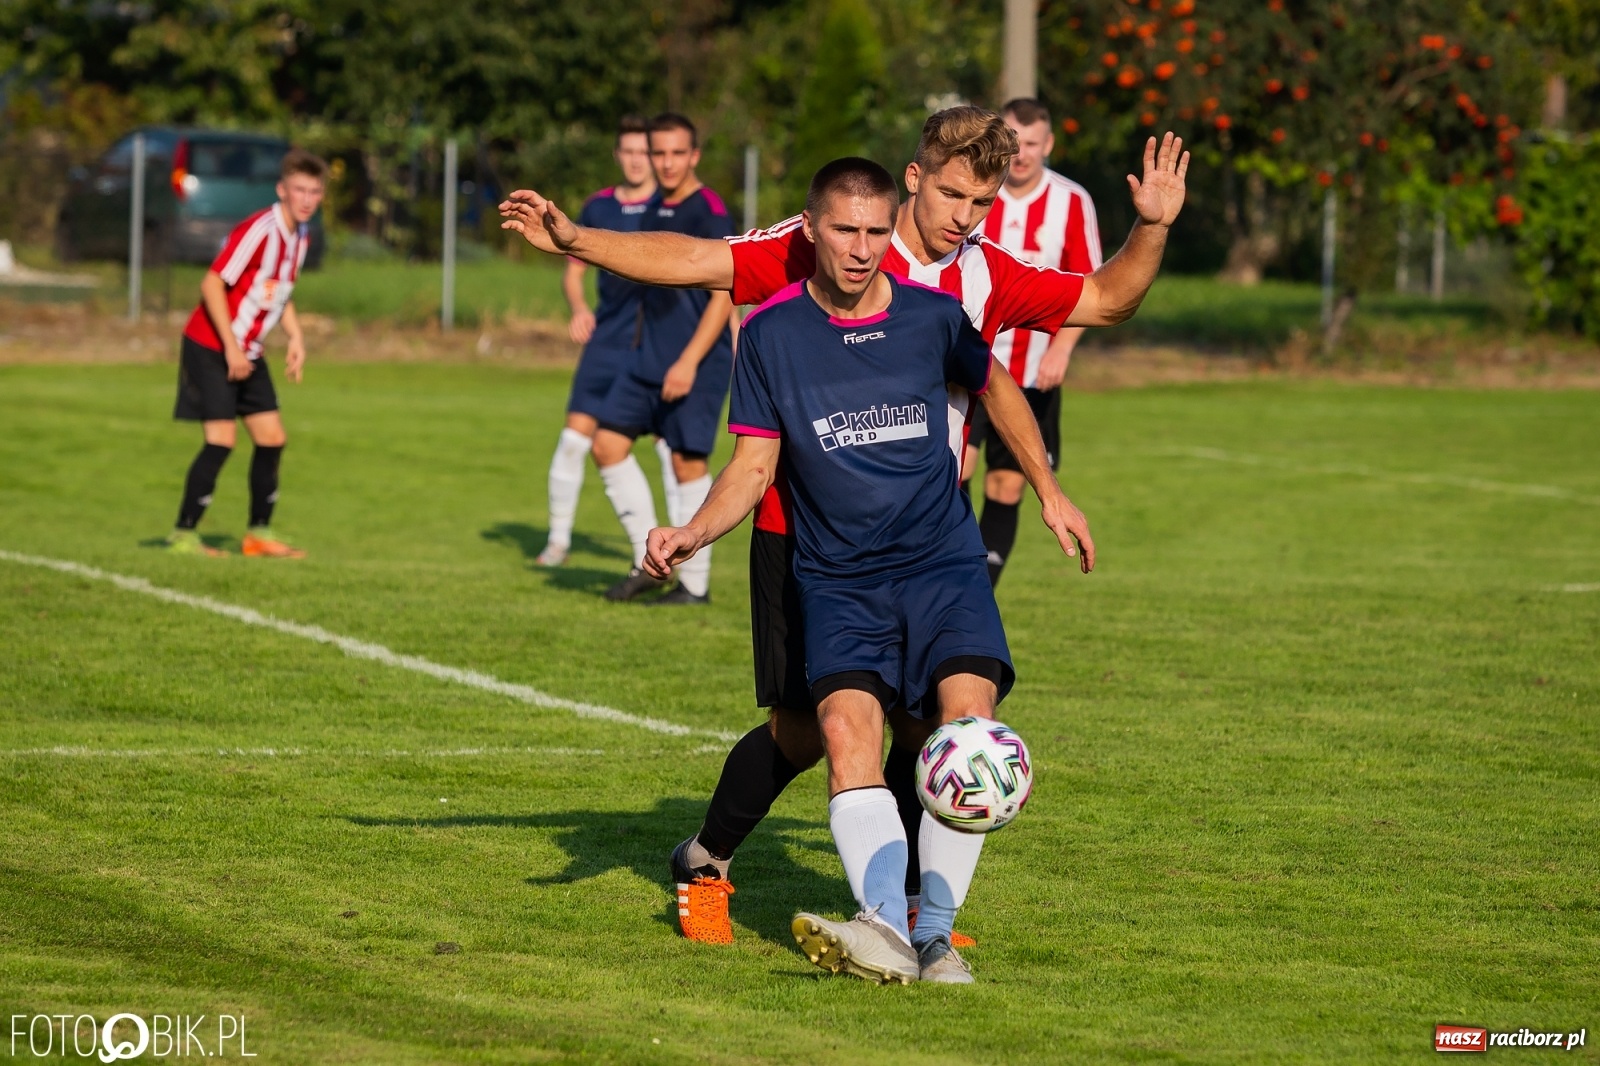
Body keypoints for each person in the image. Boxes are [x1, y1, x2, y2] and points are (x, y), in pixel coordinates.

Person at [499, 108, 1189, 944]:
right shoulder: (830, 235)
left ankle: (898, 911)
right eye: (950, 195)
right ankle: (706, 856)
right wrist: (578, 240)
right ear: (912, 177)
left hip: (927, 533)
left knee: (930, 724)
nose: (963, 219)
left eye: (982, 203)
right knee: (805, 731)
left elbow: (1106, 300)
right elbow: (695, 260)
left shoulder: (981, 275)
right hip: (804, 532)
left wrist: (1149, 230)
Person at [643, 157, 1090, 983]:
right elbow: (752, 466)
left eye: (877, 232)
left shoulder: (934, 315)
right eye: (844, 230)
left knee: (965, 733)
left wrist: (1049, 489)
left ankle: (929, 932)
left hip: (939, 561)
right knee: (832, 733)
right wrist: (692, 531)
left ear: (896, 230)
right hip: (835, 573)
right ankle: (766, 881)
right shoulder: (771, 333)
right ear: (809, 228)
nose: (860, 249)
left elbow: (997, 390)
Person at [590, 112, 736, 605]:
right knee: (606, 445)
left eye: (677, 153)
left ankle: (693, 586)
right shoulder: (652, 207)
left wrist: (690, 360)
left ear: (694, 155)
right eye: (659, 153)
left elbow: (725, 293)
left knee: (685, 462)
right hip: (644, 357)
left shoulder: (709, 210)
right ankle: (647, 563)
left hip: (695, 360)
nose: (667, 163)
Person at [966, 97, 1104, 585]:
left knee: (1007, 484)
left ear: (1048, 144)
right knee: (955, 468)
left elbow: (1090, 285)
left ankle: (981, 589)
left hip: (1033, 372)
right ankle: (951, 568)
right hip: (970, 361)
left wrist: (1062, 349)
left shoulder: (1071, 201)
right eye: (1013, 142)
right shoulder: (976, 193)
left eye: (1031, 143)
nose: (1021, 154)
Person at [166, 147, 326, 558]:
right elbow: (212, 284)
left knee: (272, 439)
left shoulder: (301, 236)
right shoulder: (260, 230)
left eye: (314, 191)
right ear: (282, 190)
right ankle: (183, 535)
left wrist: (295, 337)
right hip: (210, 346)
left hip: (247, 351)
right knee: (221, 440)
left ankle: (258, 534)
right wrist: (232, 348)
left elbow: (280, 294)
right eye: (299, 190)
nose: (306, 199)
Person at [537, 116, 667, 568]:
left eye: (643, 151)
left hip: (658, 343)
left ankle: (674, 551)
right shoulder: (597, 208)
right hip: (607, 340)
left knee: (669, 449)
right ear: (617, 156)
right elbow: (573, 273)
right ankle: (556, 543)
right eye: (627, 151)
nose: (635, 160)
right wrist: (578, 309)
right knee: (574, 442)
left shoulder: (669, 207)